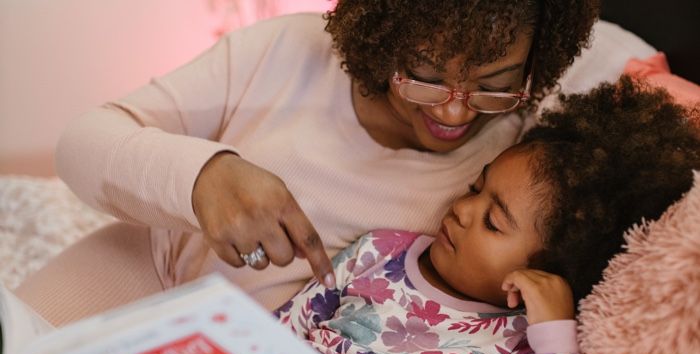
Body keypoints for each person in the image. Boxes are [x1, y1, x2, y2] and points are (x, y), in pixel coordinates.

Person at [16, 1, 600, 325]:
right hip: (148, 263)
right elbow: (82, 142)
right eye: (425, 75)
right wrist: (203, 177)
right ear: (383, 32)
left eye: (493, 86)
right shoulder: (288, 52)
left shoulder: (521, 148)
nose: (455, 110)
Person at [274, 78, 700, 354]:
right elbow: (282, 328)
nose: (462, 209)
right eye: (476, 187)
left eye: (493, 222)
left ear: (545, 272)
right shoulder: (380, 250)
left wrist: (554, 335)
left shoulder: (522, 341)